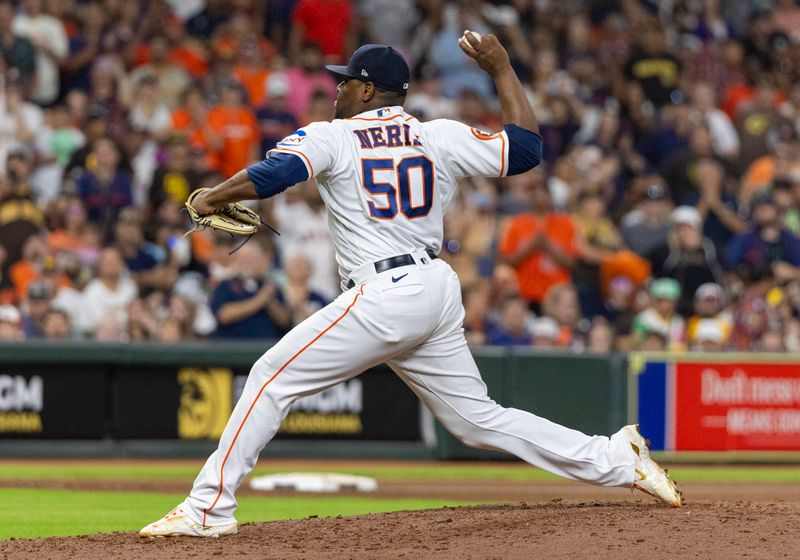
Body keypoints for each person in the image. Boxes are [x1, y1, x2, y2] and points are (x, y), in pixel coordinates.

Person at [140, 36, 681, 539]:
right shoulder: (436, 134)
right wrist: (502, 69)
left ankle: (208, 509)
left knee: (268, 377)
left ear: (368, 89)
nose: (338, 89)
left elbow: (276, 174)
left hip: (385, 292)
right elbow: (526, 151)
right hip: (434, 289)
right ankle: (616, 458)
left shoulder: (334, 135)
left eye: (346, 81)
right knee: (476, 420)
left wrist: (213, 196)